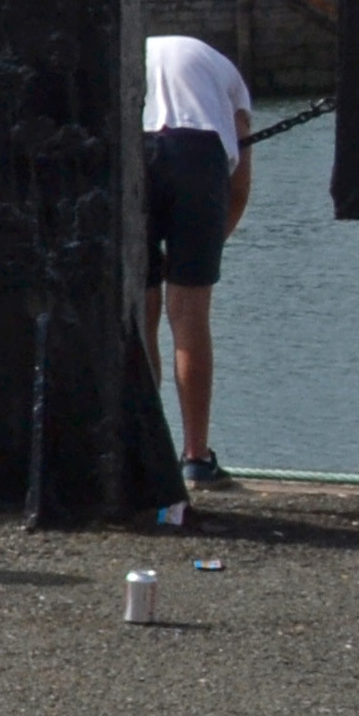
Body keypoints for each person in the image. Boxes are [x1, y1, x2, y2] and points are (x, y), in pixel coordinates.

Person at [141, 30, 254, 485]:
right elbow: (241, 188)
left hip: (138, 147)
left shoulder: (136, 50)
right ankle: (195, 456)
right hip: (199, 155)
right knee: (188, 314)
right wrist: (207, 248)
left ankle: (145, 446)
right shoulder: (229, 76)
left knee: (141, 311)